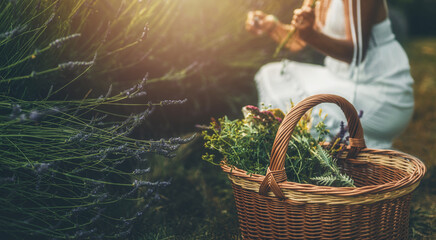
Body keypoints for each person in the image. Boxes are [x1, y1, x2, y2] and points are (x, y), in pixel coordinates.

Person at [245, 0, 414, 149]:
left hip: (379, 90)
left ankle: (327, 166)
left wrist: (310, 35)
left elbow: (356, 53)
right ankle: (284, 157)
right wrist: (272, 26)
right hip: (340, 78)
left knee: (308, 104)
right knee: (272, 74)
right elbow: (299, 39)